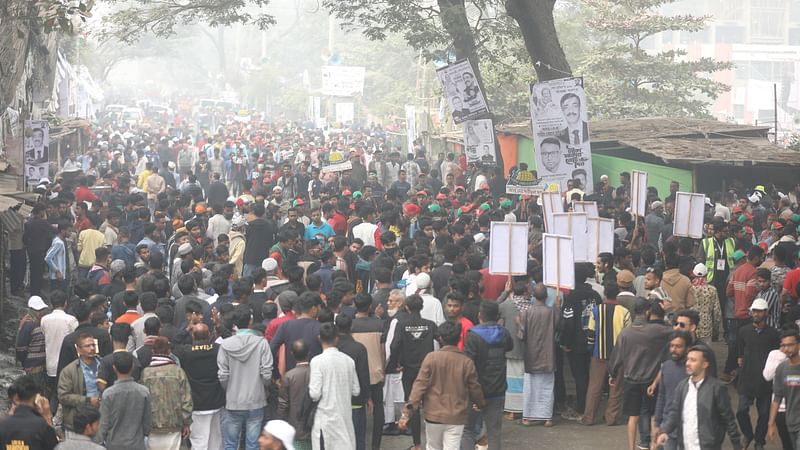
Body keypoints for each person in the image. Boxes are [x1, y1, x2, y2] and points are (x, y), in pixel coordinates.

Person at [399, 320, 485, 449]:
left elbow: (419, 386)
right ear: (460, 338)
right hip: (456, 415)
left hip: (433, 414)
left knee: (433, 446)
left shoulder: (431, 358)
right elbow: (474, 387)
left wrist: (407, 412)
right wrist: (480, 403)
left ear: (440, 338)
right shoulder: (466, 362)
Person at [608, 298, 672, 450]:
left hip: (631, 379)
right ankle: (653, 446)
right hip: (651, 380)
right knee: (653, 415)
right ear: (647, 311)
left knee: (633, 417)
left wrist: (613, 373)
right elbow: (676, 330)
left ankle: (631, 447)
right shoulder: (658, 331)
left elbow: (616, 356)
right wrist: (668, 311)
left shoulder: (626, 333)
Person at [657, 345, 743, 450]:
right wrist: (665, 430)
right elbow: (674, 412)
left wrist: (736, 444)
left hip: (708, 446)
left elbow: (728, 418)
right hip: (685, 445)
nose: (688, 363)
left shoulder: (716, 388)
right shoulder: (682, 387)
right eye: (687, 359)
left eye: (693, 360)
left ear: (704, 364)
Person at [218, 305, 274, 450]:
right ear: (250, 321)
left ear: (235, 324)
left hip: (233, 401)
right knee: (253, 444)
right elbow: (267, 373)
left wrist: (229, 389)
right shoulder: (262, 343)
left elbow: (223, 375)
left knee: (230, 443)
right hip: (256, 400)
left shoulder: (225, 345)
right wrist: (263, 387)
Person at [386, 294, 436, 450]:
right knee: (431, 405)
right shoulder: (430, 325)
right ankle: (433, 443)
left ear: (406, 307)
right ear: (421, 307)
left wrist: (394, 364)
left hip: (409, 370)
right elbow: (443, 340)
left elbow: (394, 346)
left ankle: (417, 444)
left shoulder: (402, 324)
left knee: (411, 405)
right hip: (428, 370)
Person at [462, 301, 513, 450]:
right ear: (497, 316)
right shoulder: (503, 332)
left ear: (480, 315)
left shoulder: (473, 335)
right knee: (494, 431)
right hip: (497, 388)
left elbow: (468, 364)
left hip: (476, 389)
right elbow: (510, 346)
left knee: (468, 430)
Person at [309, 322, 361, 450]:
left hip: (325, 420)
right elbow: (356, 390)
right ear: (337, 338)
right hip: (344, 417)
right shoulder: (349, 361)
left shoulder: (317, 361)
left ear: (319, 338)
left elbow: (314, 394)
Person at [173, 324, 225, 450]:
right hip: (216, 402)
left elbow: (172, 344)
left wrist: (185, 330)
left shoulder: (185, 352)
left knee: (199, 443)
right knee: (216, 441)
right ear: (209, 335)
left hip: (197, 404)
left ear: (192, 335)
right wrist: (218, 326)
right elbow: (229, 339)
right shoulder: (218, 349)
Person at [736, 297, 780, 450]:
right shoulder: (743, 331)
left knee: (763, 414)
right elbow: (740, 350)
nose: (756, 314)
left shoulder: (774, 334)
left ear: (766, 313)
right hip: (746, 378)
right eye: (754, 311)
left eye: (759, 311)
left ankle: (759, 441)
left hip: (764, 380)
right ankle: (748, 434)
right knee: (741, 411)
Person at [517, 284, 560, 426]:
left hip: (532, 355)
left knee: (530, 387)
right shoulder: (552, 312)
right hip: (548, 355)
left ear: (534, 296)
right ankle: (547, 418)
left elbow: (521, 336)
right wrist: (558, 306)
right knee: (547, 387)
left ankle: (527, 417)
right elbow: (559, 327)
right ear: (546, 296)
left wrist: (519, 323)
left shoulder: (526, 313)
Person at [140, 337, 193, 450]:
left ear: (153, 352)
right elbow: (186, 400)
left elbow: (142, 400)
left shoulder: (145, 373)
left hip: (152, 426)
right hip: (174, 425)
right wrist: (186, 422)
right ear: (169, 351)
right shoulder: (178, 371)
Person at [99, 351, 151, 450]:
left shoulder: (108, 394)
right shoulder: (143, 392)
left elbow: (103, 424)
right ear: (133, 366)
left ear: (114, 368)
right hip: (137, 444)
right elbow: (147, 423)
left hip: (114, 445)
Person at [333, 315, 370, 450]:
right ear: (351, 327)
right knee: (358, 437)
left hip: (335, 400)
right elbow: (363, 375)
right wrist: (367, 397)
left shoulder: (331, 348)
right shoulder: (359, 348)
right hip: (355, 401)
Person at [652, 331, 692, 450]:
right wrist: (657, 423)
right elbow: (662, 395)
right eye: (672, 346)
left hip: (687, 426)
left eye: (678, 346)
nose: (674, 349)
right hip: (667, 425)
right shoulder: (666, 366)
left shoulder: (692, 370)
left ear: (688, 348)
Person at [58, 333, 101, 438]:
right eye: (87, 346)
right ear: (78, 349)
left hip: (101, 416)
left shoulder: (103, 365)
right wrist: (87, 400)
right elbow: (63, 396)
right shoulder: (69, 371)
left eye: (93, 345)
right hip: (79, 419)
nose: (91, 348)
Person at [1, 374, 58, 450]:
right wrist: (47, 416)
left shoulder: (3, 425)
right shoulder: (41, 426)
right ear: (36, 397)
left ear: (16, 398)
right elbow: (54, 446)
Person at [766, 327, 800, 450]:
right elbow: (777, 397)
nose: (786, 349)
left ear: (798, 345)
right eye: (783, 345)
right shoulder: (781, 368)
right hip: (791, 422)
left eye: (790, 345)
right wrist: (771, 424)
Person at [278, 340, 312, 449]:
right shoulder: (316, 372)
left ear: (292, 354)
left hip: (295, 425)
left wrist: (281, 423)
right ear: (309, 353)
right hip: (314, 423)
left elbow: (283, 404)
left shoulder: (288, 376)